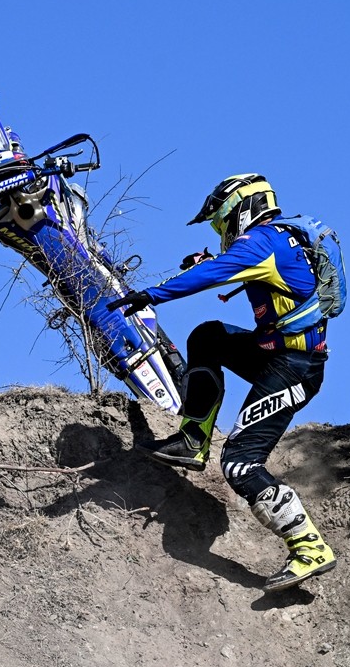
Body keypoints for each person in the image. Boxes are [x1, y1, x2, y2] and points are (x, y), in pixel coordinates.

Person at [107, 174, 336, 592]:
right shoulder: (282, 239)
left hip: (293, 367)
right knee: (208, 337)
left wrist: (151, 295)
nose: (222, 231)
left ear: (239, 210)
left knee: (239, 463)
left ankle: (308, 546)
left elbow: (217, 273)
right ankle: (193, 440)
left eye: (221, 222)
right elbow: (237, 269)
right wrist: (207, 262)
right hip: (278, 355)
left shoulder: (262, 240)